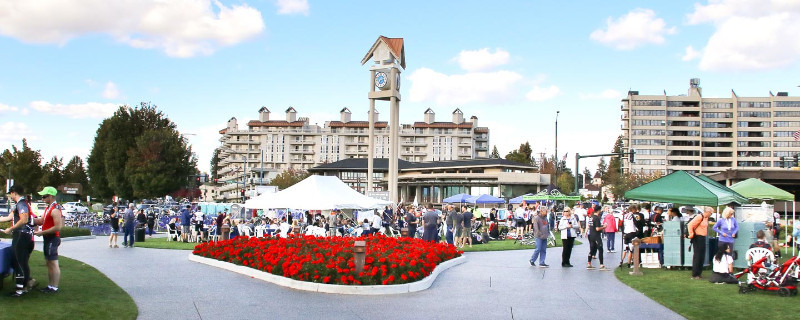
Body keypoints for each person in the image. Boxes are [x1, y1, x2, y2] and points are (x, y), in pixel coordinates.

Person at [0, 185, 36, 296]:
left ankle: (19, 289)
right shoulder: (20, 204)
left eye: (10, 193)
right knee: (23, 262)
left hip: (21, 235)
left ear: (14, 193)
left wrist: (11, 228)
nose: (10, 196)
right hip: (24, 235)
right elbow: (9, 217)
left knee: (18, 261)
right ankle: (25, 286)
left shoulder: (21, 204)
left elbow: (24, 219)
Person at [33, 186, 63, 293]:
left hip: (52, 238)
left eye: (44, 196)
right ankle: (50, 285)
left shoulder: (55, 209)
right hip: (47, 238)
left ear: (50, 196)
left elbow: (58, 227)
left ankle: (54, 287)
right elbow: (41, 220)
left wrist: (42, 232)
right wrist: (29, 220)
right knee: (49, 262)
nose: (42, 198)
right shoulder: (48, 208)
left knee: (53, 263)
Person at [687, 206, 713, 280]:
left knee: (702, 255)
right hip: (697, 237)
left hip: (702, 237)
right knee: (697, 255)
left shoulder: (706, 218)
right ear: (707, 212)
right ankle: (695, 274)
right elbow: (690, 225)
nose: (711, 215)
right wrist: (691, 234)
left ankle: (699, 273)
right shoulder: (699, 216)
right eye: (710, 213)